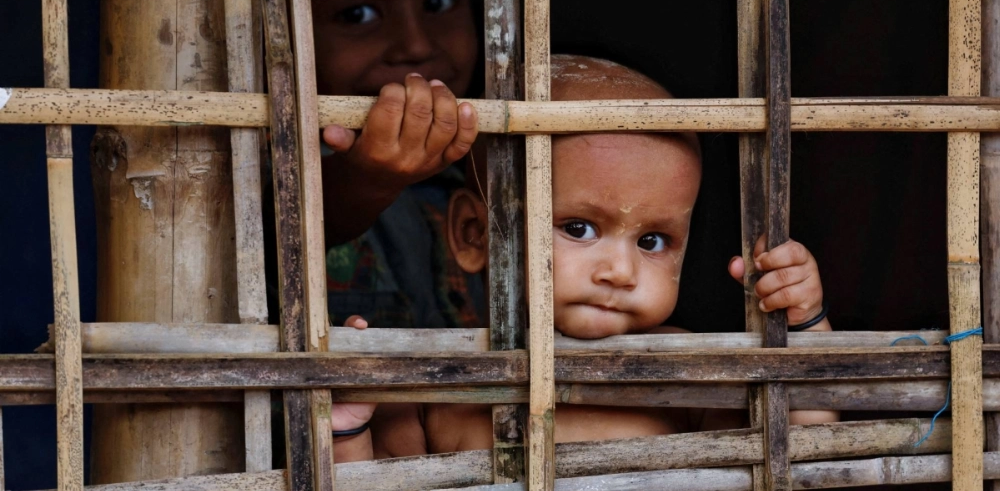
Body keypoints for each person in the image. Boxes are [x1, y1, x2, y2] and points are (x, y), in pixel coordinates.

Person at [329, 55, 836, 460]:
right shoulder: (426, 385)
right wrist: (348, 428)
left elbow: (798, 453)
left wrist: (804, 323)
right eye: (578, 228)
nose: (621, 272)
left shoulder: (688, 371)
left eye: (652, 241)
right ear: (473, 234)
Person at [266, 0, 486, 331]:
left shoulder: (489, 168)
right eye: (358, 15)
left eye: (439, 1)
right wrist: (365, 181)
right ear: (272, 28)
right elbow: (278, 232)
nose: (415, 43)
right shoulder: (243, 168)